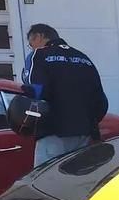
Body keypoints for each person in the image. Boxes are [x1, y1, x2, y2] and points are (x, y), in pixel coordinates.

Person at [23, 23, 108, 166]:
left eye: (31, 44)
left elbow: (35, 92)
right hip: (84, 134)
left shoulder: (38, 56)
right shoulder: (84, 58)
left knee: (47, 183)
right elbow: (101, 101)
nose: (31, 48)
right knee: (78, 182)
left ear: (39, 36)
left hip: (54, 134)